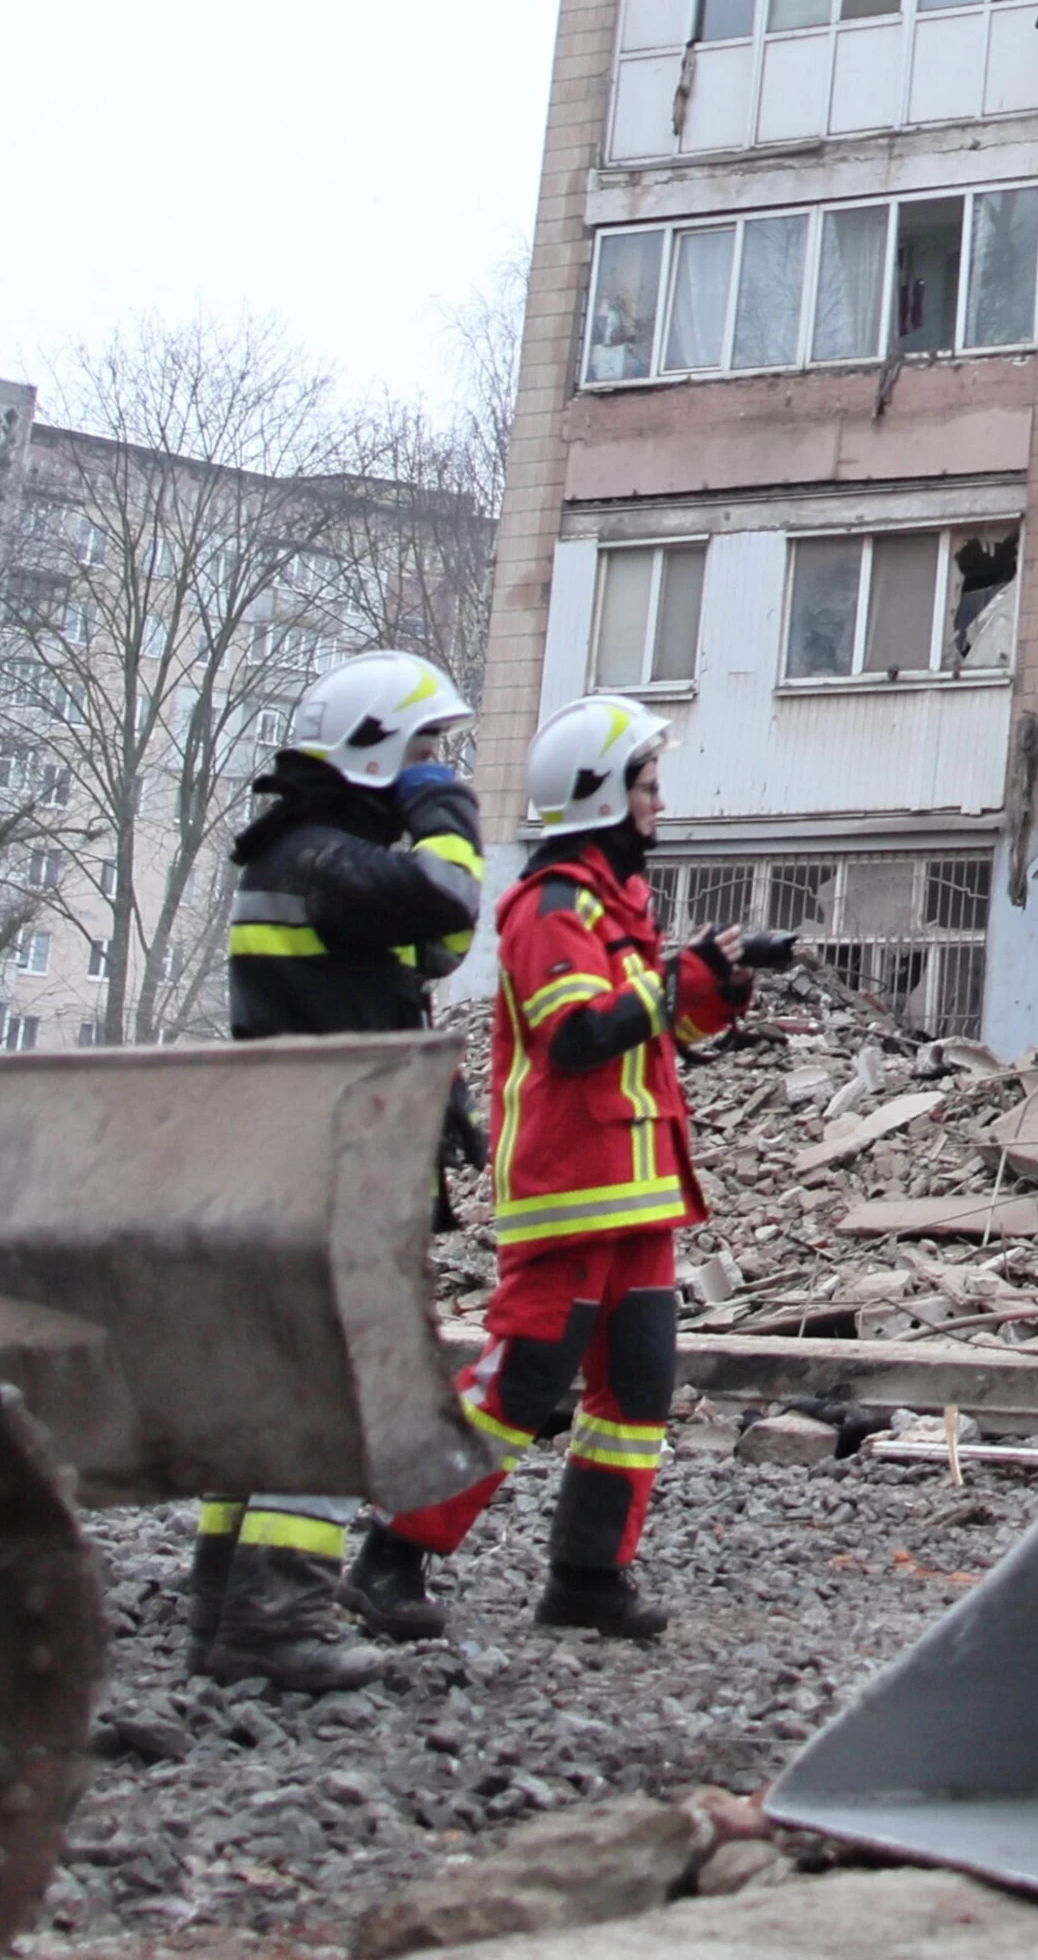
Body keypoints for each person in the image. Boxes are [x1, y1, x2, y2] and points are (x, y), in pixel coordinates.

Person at [354, 693, 787, 1642]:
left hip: (633, 1192)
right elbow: (578, 1035)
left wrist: (708, 988)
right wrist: (669, 981)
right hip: (568, 1189)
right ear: (598, 795)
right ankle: (393, 1547)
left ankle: (589, 1575)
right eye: (646, 786)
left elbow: (656, 1032)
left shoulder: (612, 901)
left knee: (635, 1390)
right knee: (523, 1379)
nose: (658, 804)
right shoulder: (549, 907)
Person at [192, 652, 488, 1693]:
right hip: (337, 1162)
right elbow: (452, 891)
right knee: (334, 1391)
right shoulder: (323, 858)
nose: (439, 765)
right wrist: (447, 808)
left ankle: (225, 1596)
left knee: (281, 1387)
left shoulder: (307, 857)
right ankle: (274, 1618)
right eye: (424, 748)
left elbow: (439, 944)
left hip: (297, 1154)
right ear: (374, 754)